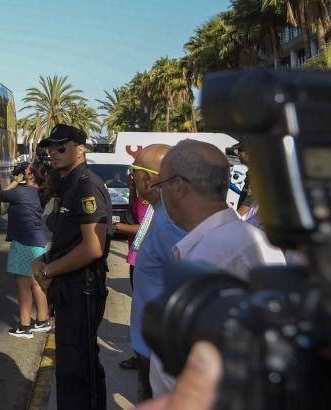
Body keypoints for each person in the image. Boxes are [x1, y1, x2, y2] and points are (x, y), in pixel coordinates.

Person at [148, 140, 286, 397]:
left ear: (178, 187)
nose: (160, 194)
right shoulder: (238, 240)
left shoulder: (214, 256)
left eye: (161, 185)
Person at [31, 124, 111, 410]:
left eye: (61, 147)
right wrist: (46, 259)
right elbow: (68, 239)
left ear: (81, 149)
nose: (53, 152)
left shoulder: (86, 185)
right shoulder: (69, 185)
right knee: (70, 367)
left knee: (77, 371)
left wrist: (49, 271)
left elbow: (92, 247)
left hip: (83, 290)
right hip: (70, 289)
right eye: (50, 147)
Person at [121, 144, 174, 401]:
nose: (130, 178)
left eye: (133, 172)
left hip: (160, 351)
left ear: (148, 178)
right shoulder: (162, 212)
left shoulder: (172, 222)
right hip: (150, 347)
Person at [0, 162, 51, 338]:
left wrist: (16, 180)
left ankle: (24, 325)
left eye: (26, 170)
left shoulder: (22, 192)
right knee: (37, 282)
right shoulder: (41, 193)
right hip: (40, 242)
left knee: (23, 285)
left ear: (30, 175)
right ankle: (42, 321)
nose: (23, 171)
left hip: (23, 242)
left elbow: (2, 194)